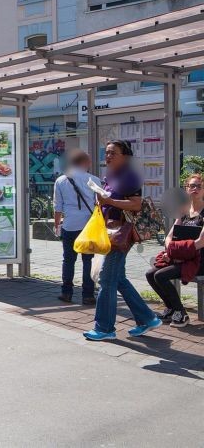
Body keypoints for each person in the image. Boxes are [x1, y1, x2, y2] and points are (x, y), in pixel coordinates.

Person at [83, 140, 162, 341]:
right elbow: (108, 199)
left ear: (125, 156)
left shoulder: (130, 176)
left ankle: (105, 328)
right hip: (109, 230)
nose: (108, 156)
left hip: (121, 233)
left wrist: (109, 201)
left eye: (113, 153)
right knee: (118, 279)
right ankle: (147, 318)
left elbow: (135, 205)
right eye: (106, 153)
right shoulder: (110, 176)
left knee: (106, 279)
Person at [146, 173, 204, 328]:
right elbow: (169, 237)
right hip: (181, 257)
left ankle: (182, 314)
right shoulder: (184, 211)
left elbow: (200, 243)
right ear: (186, 189)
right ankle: (171, 308)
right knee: (150, 274)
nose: (195, 189)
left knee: (161, 276)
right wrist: (169, 252)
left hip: (199, 260)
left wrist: (174, 253)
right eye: (191, 186)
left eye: (199, 186)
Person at [53, 149, 101, 305]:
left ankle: (66, 292)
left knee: (68, 260)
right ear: (84, 163)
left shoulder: (60, 181)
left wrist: (57, 225)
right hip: (88, 227)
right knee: (88, 260)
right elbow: (99, 204)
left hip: (69, 226)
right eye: (89, 162)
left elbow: (57, 207)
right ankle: (88, 295)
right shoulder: (94, 180)